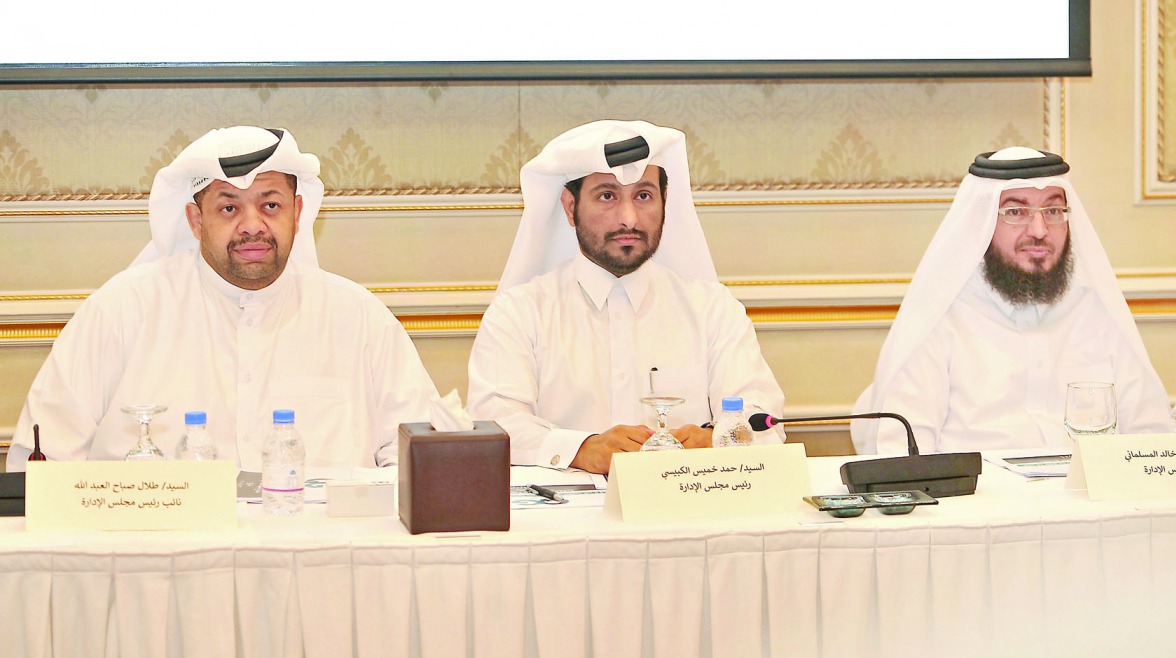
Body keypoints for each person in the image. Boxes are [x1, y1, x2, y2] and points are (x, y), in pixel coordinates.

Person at [7, 126, 439, 470]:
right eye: (229, 208)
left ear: (298, 212)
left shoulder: (358, 317)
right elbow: (43, 462)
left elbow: (419, 457)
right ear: (195, 220)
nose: (253, 225)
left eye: (270, 205)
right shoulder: (121, 310)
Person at [467, 120, 784, 473]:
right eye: (607, 196)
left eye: (643, 195)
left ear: (665, 202)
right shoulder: (519, 312)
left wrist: (721, 438)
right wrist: (580, 449)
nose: (629, 218)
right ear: (570, 207)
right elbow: (493, 423)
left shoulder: (713, 309)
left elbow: (765, 422)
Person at [854, 147, 1172, 455]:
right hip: (976, 505)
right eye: (1016, 212)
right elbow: (903, 456)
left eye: (1052, 211)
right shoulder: (939, 320)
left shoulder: (1097, 313)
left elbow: (1152, 439)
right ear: (982, 222)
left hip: (1086, 501)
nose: (1039, 230)